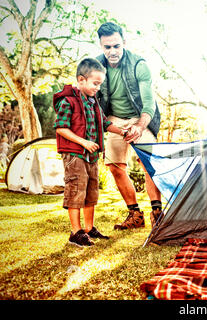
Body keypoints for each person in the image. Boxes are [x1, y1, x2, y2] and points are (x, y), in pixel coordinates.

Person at [95, 22, 162, 230]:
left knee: (150, 163)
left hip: (140, 118)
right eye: (107, 47)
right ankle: (135, 214)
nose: (112, 51)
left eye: (116, 46)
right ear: (101, 45)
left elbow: (149, 103)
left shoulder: (138, 64)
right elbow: (93, 102)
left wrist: (140, 126)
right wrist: (107, 125)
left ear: (124, 42)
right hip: (114, 119)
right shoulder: (96, 66)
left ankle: (158, 214)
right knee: (114, 166)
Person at [53, 58, 126, 247]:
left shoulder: (93, 103)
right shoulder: (67, 101)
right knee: (76, 191)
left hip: (91, 157)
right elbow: (61, 128)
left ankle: (88, 228)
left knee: (91, 192)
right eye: (95, 83)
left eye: (100, 84)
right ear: (81, 79)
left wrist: (122, 132)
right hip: (75, 154)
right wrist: (84, 142)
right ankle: (75, 232)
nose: (98, 88)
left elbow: (105, 123)